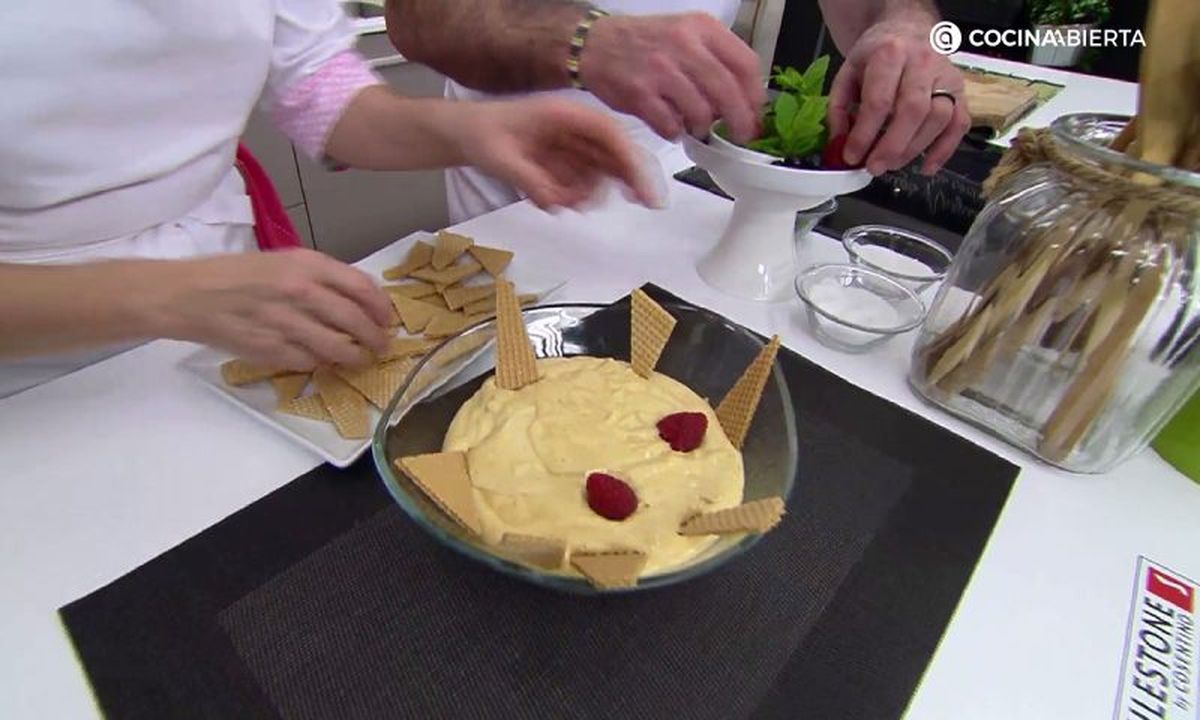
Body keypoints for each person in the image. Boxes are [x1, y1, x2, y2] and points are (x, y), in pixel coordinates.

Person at [0, 0, 657, 398]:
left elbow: (316, 86)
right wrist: (170, 296)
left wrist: (468, 131)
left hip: (234, 321)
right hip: (32, 372)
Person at [386, 0, 971, 223]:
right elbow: (420, 19)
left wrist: (911, 26)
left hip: (690, 185)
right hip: (524, 191)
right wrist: (588, 41)